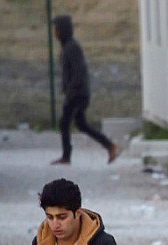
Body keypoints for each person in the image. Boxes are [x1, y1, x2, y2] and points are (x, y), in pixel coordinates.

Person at [50, 15, 118, 165]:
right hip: (77, 92)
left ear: (62, 30)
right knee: (80, 124)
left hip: (77, 94)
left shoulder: (72, 47)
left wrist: (71, 91)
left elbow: (79, 72)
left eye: (56, 29)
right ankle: (109, 146)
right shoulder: (67, 46)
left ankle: (67, 156)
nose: (54, 33)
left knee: (65, 123)